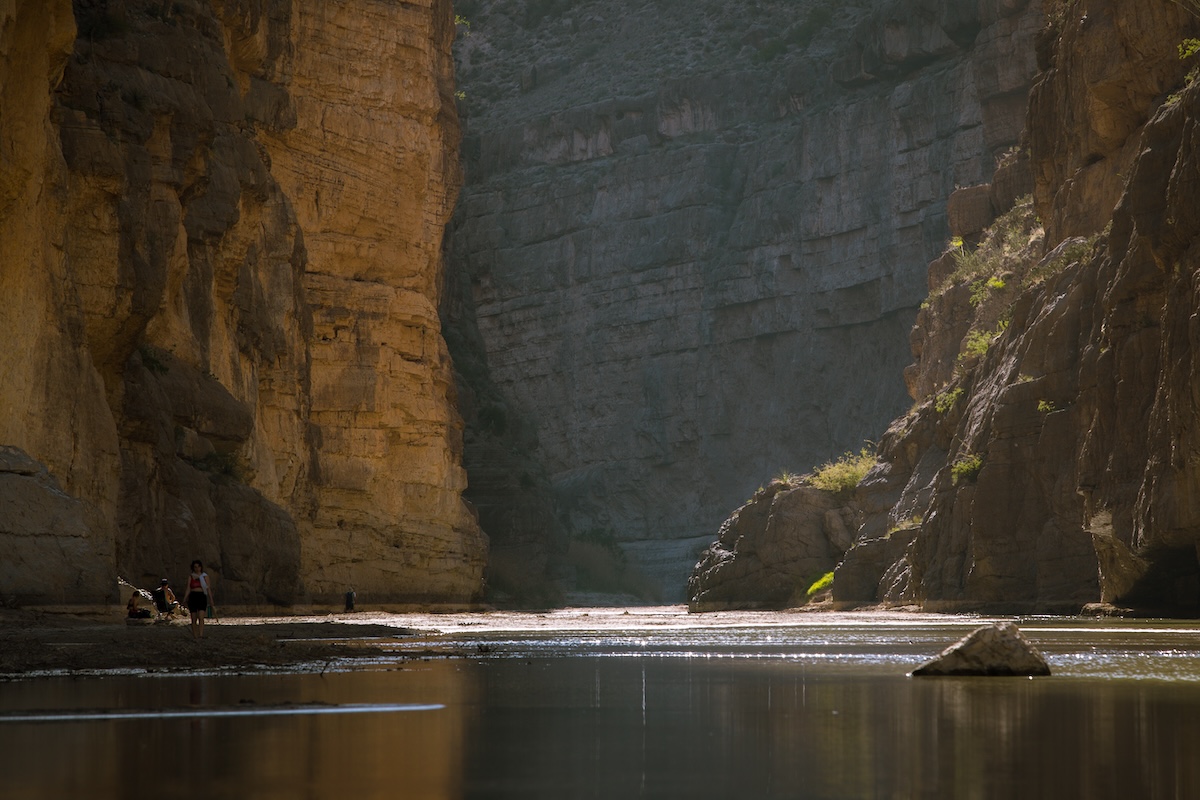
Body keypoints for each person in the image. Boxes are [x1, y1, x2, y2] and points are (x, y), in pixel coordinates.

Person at [182, 560, 215, 639]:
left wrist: (211, 599)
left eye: (198, 567)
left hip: (202, 596)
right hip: (193, 596)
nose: (197, 569)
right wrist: (184, 598)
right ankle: (195, 635)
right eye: (195, 567)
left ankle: (200, 634)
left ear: (201, 567)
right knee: (193, 617)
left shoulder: (204, 576)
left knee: (201, 616)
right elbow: (188, 588)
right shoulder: (191, 576)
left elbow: (208, 588)